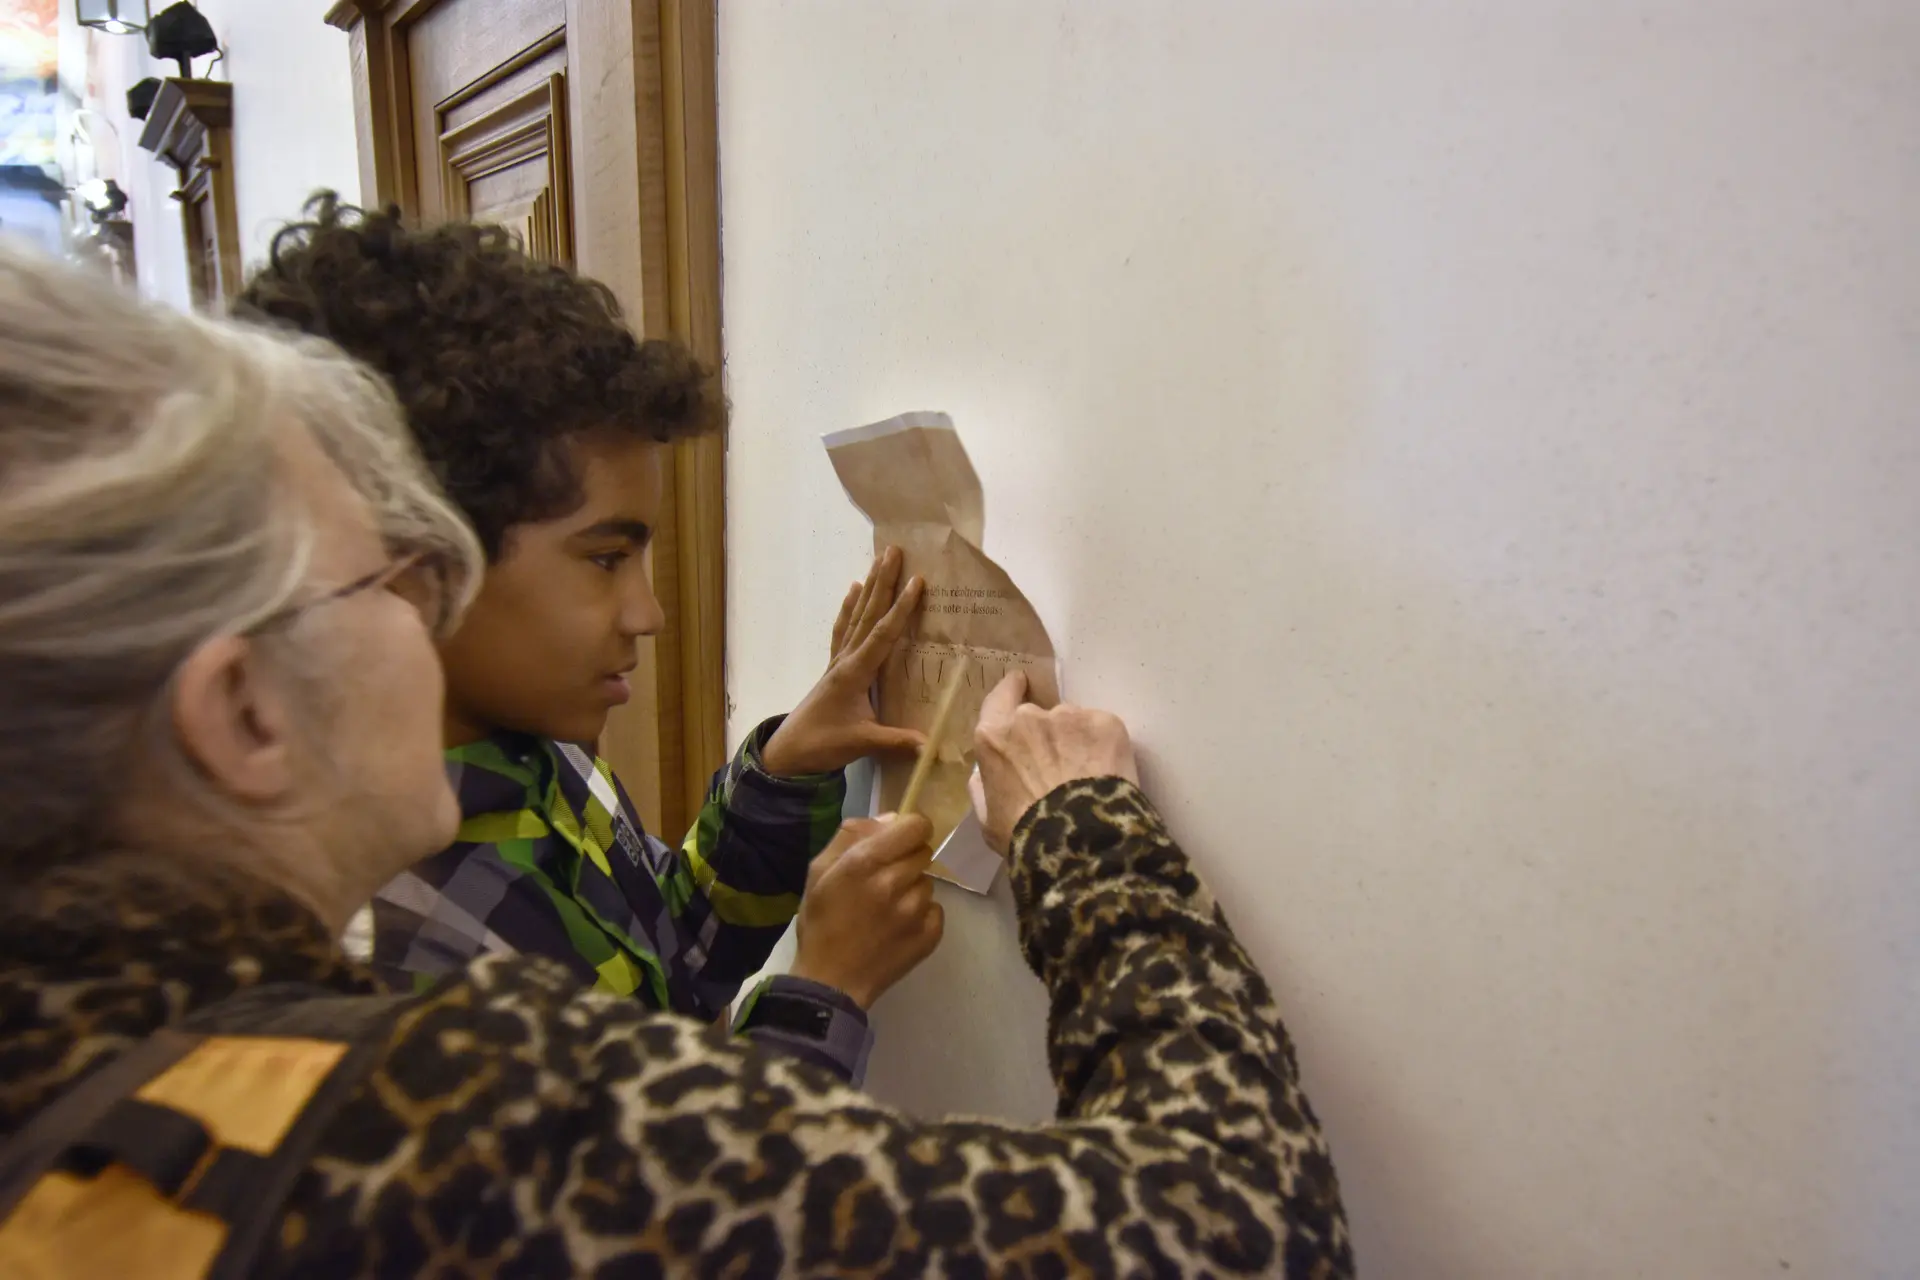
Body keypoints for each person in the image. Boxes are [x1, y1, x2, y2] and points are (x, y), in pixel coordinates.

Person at [0, 244, 1351, 1275]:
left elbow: (660, 952)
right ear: (240, 711)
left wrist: (773, 795)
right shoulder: (430, 1117)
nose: (427, 617)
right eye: (395, 580)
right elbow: (1239, 1230)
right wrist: (1088, 840)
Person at [236, 195, 939, 1085]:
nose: (647, 614)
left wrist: (784, 779)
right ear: (413, 556)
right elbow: (683, 1216)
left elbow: (676, 955)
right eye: (605, 559)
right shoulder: (382, 957)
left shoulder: (544, 752)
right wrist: (824, 992)